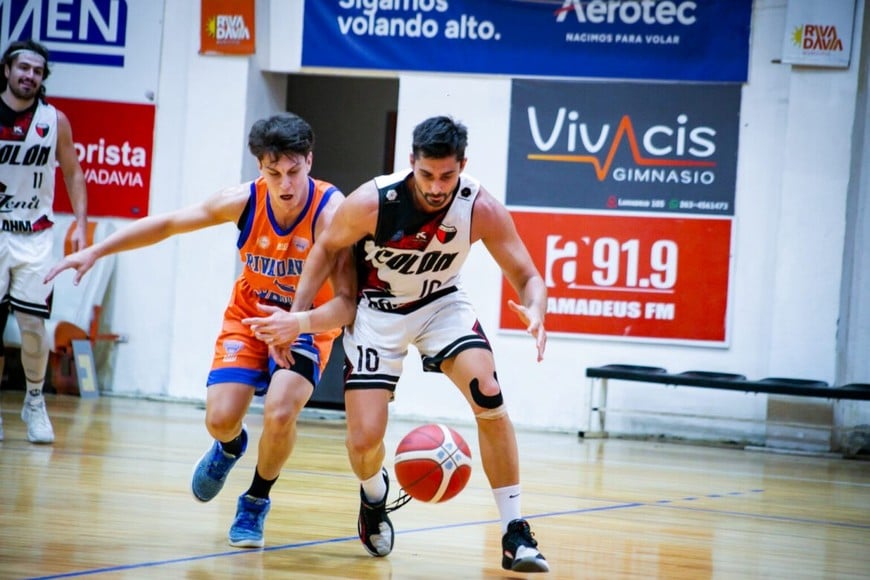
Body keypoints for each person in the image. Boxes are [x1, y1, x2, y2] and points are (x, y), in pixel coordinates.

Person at [248, 115, 550, 572]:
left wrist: (536, 307)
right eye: (427, 175)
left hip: (440, 304)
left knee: (488, 393)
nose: (436, 186)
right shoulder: (373, 201)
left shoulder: (479, 206)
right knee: (364, 440)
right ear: (412, 163)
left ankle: (515, 532)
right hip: (377, 313)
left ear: (462, 166)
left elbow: (528, 274)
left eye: (447, 175)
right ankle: (374, 496)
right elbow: (326, 248)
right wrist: (297, 317)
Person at [44, 112, 356, 548]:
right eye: (273, 173)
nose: (285, 185)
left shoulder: (332, 213)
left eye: (294, 171)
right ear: (259, 169)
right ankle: (230, 447)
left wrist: (294, 325)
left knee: (281, 410)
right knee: (220, 419)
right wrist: (96, 250)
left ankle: (255, 500)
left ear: (309, 160)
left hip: (306, 322)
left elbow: (347, 304)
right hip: (249, 315)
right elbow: (169, 224)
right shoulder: (243, 201)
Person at [0, 39, 89, 444]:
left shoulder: (55, 121)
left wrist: (82, 226)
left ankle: (34, 400)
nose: (29, 76)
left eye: (37, 71)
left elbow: (73, 173)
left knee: (34, 327)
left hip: (35, 235)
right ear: (7, 70)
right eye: (23, 68)